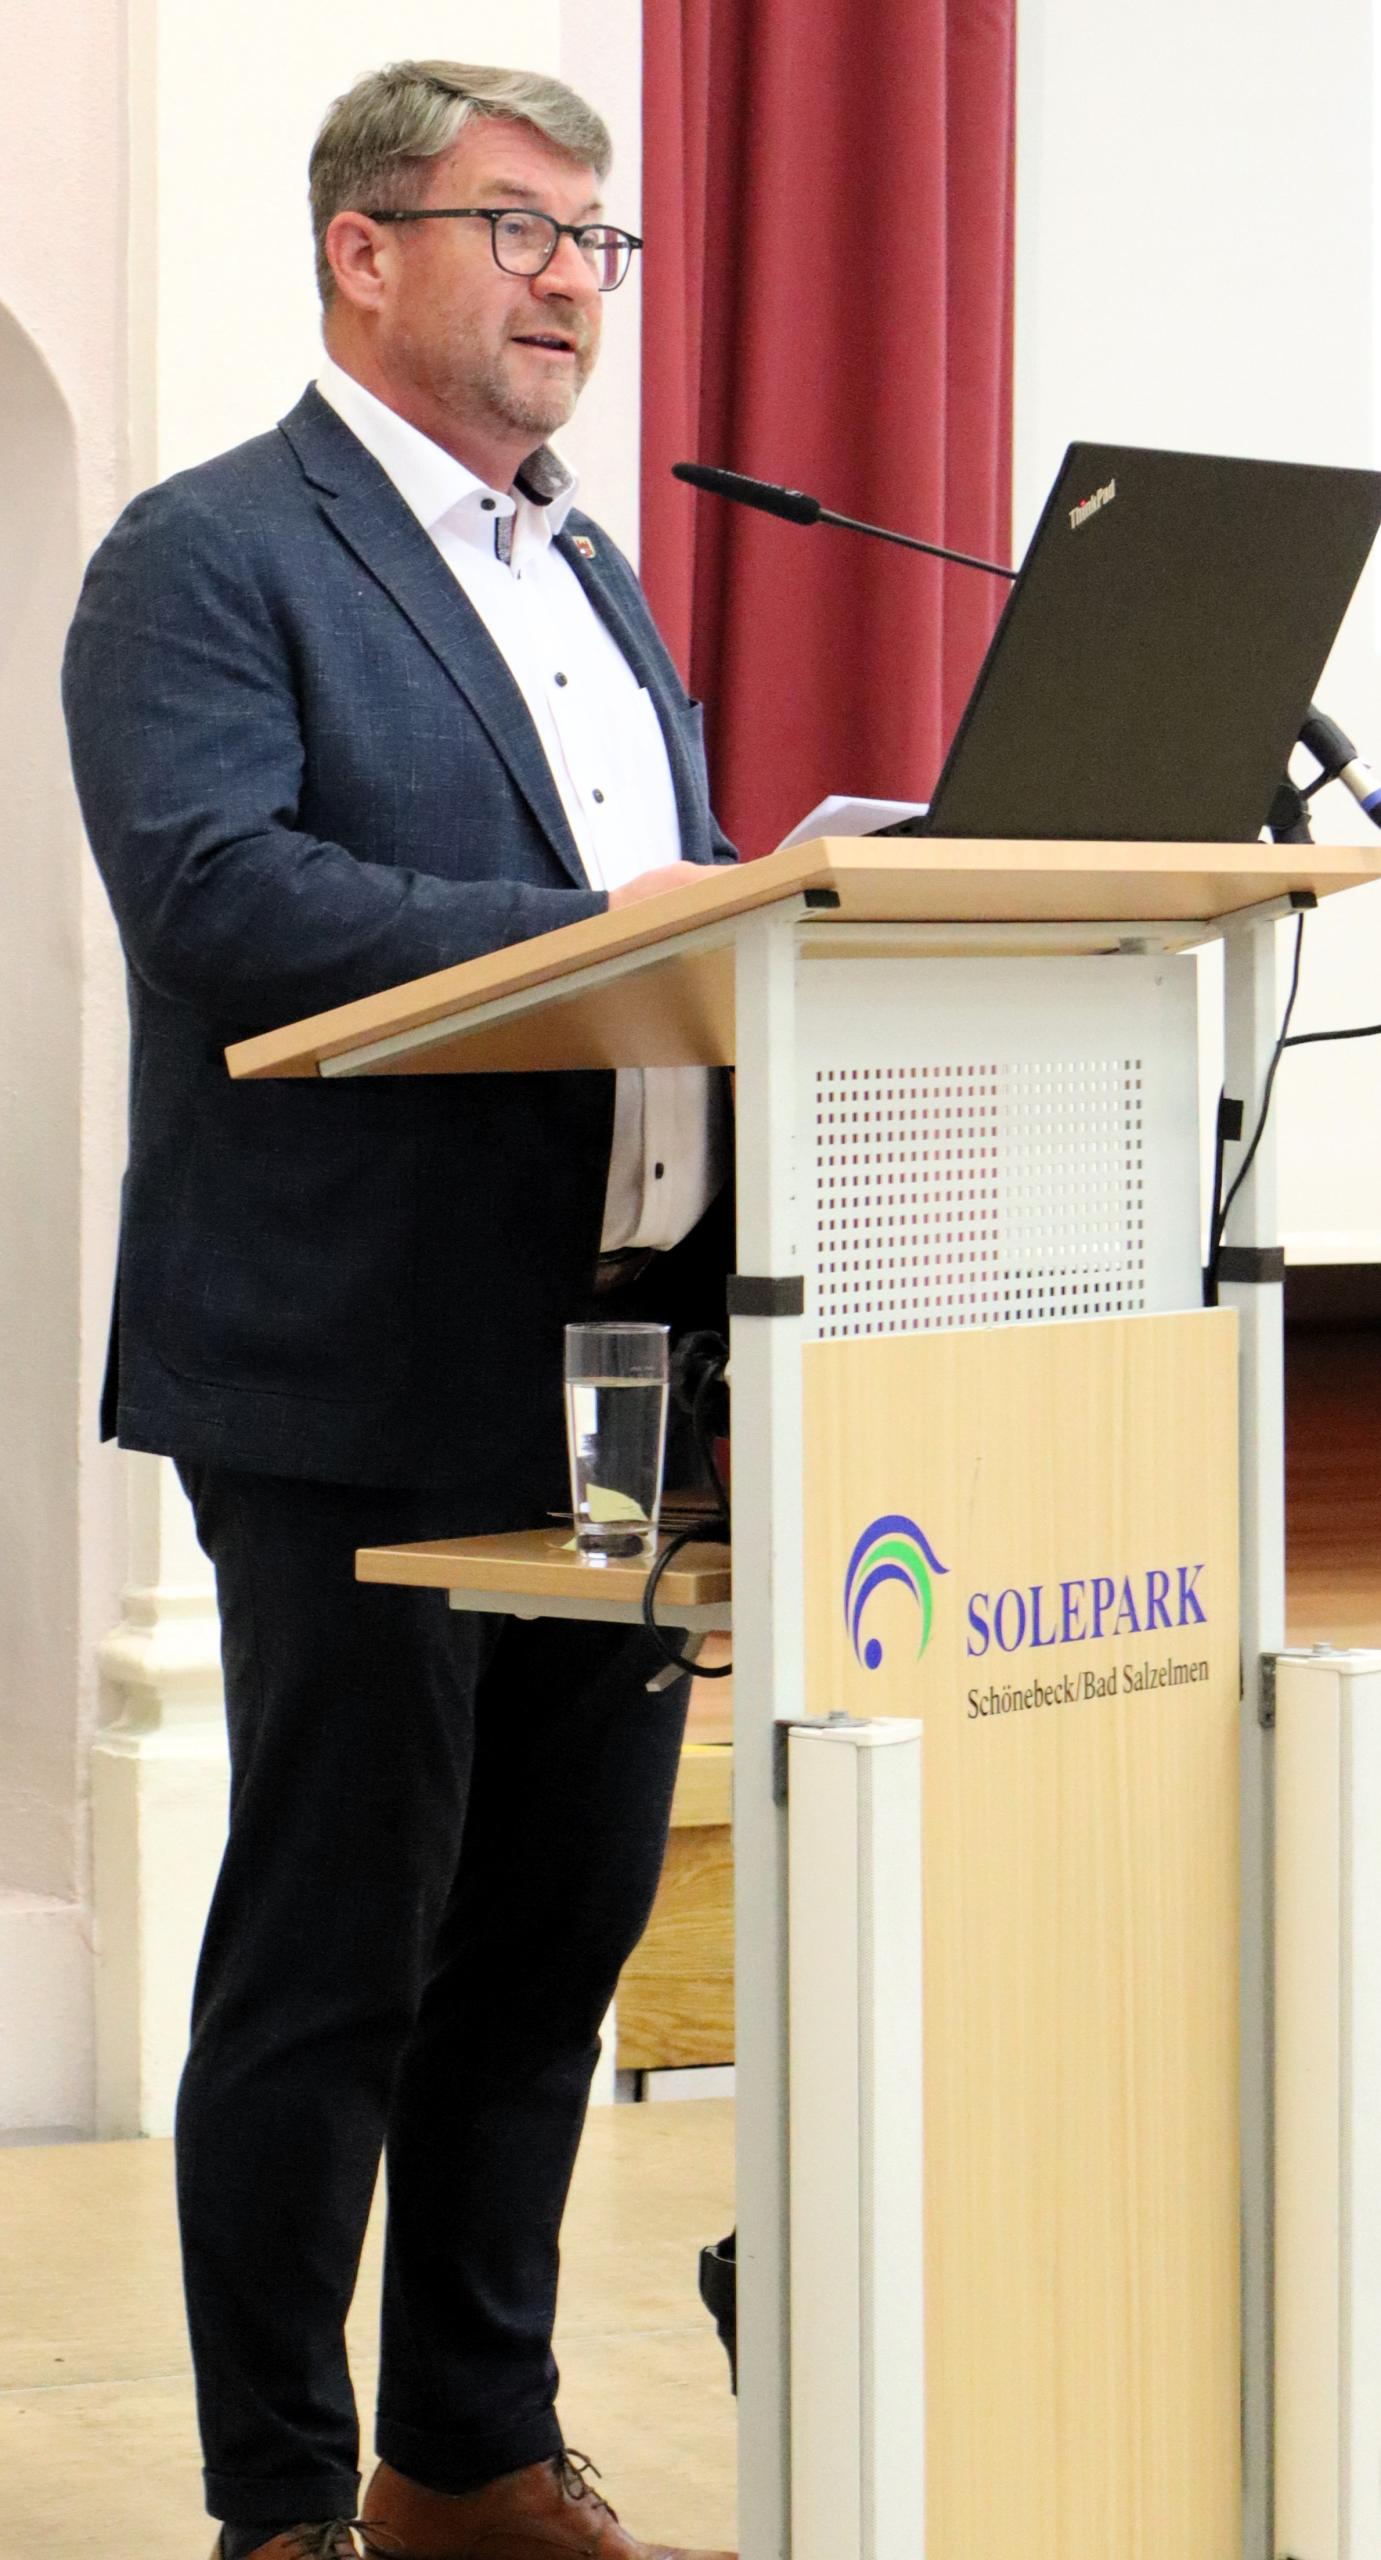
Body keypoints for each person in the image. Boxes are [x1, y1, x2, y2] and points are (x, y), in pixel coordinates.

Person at [63, 59, 736, 2560]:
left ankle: (464, 2445)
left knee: (553, 1930)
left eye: (597, 241)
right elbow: (217, 893)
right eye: (521, 227)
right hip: (356, 1359)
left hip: (620, 1358)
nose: (575, 281)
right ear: (363, 251)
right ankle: (275, 2502)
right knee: (336, 1945)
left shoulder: (590, 572)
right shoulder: (208, 553)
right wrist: (612, 930)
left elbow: (668, 922)